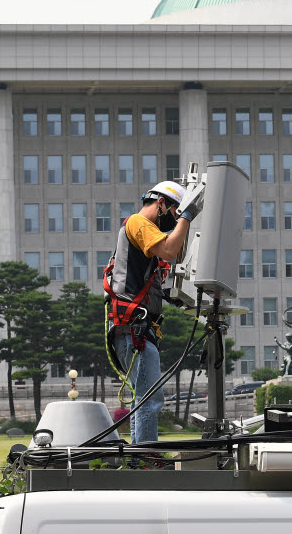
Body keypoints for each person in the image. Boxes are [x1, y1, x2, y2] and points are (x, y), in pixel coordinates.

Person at [104, 181, 201, 443]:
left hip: (133, 330)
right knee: (150, 398)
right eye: (174, 214)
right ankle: (145, 458)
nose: (175, 221)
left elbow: (169, 252)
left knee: (144, 397)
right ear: (161, 204)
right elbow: (170, 249)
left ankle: (139, 457)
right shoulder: (137, 222)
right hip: (133, 330)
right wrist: (188, 215)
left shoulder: (142, 235)